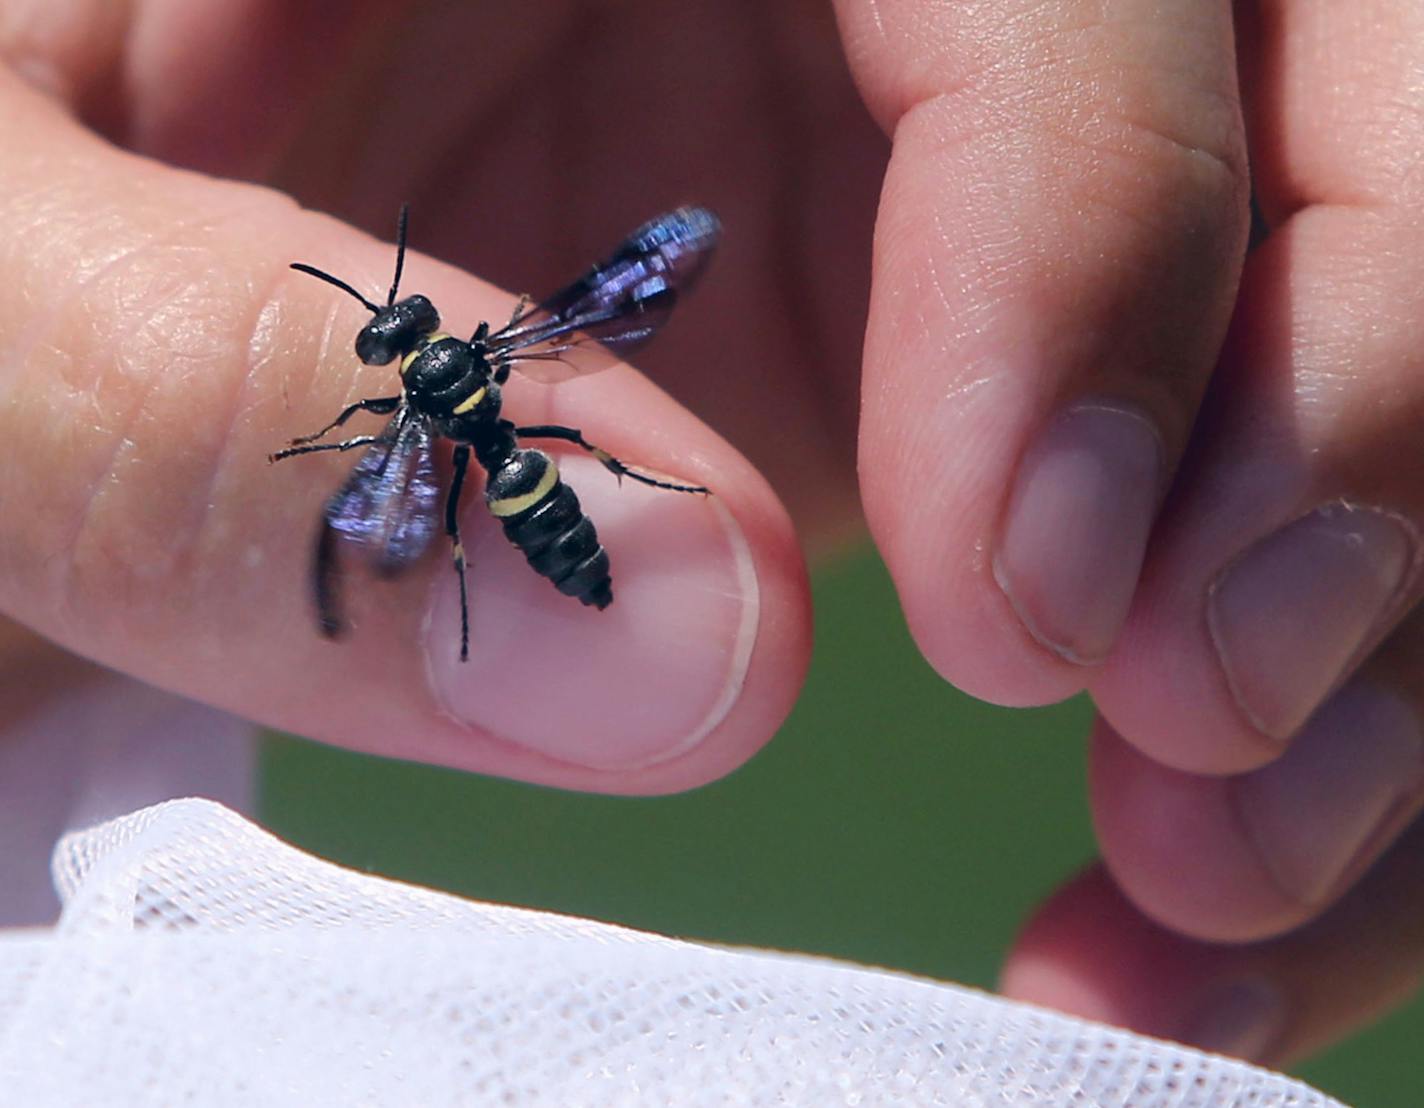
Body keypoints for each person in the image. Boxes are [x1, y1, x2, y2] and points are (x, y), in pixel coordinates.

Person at [0, 0, 1418, 1071]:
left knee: (491, 507)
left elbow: (374, 490)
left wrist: (330, 488)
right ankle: (613, 540)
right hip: (537, 475)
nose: (404, 330)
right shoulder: (501, 350)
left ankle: (588, 554)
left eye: (399, 326)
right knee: (540, 477)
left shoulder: (407, 426)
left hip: (516, 490)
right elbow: (607, 308)